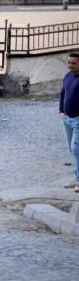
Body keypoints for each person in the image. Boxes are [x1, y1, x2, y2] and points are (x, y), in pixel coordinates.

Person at [60, 53, 79, 192]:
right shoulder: (67, 76)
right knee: (73, 150)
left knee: (76, 149)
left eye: (74, 63)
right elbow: (63, 94)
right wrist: (61, 110)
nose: (70, 65)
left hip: (78, 120)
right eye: (69, 63)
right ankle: (77, 178)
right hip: (67, 119)